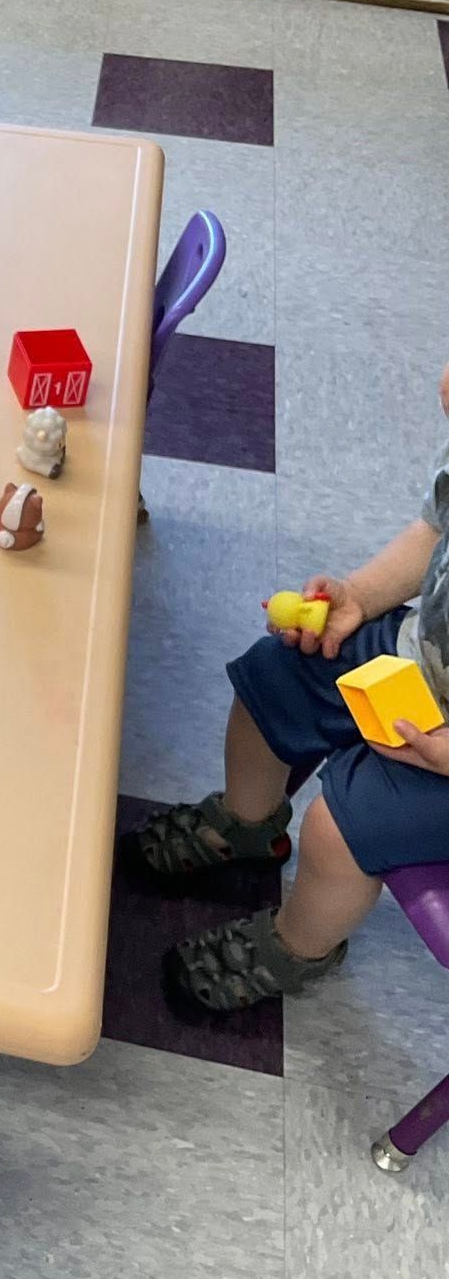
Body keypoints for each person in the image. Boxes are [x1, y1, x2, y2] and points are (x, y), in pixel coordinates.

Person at [123, 362, 449, 1013]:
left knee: (337, 833)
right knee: (271, 679)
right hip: (418, 657)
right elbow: (435, 528)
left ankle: (298, 947)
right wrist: (360, 594)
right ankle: (246, 824)